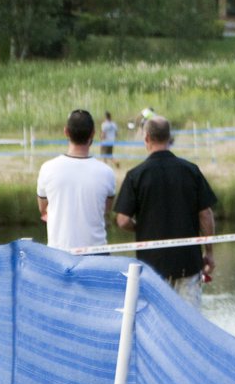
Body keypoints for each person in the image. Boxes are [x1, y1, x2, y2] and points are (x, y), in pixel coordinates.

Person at [114, 116, 217, 308]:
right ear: (169, 138)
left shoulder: (136, 176)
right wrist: (209, 252)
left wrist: (141, 228)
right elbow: (206, 215)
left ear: (146, 139)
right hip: (189, 261)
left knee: (157, 322)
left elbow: (122, 220)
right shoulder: (191, 170)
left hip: (153, 266)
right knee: (190, 322)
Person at [36, 109, 116, 251]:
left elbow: (42, 208)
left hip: (59, 253)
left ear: (66, 132)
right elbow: (106, 209)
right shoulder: (106, 172)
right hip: (96, 253)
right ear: (93, 134)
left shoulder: (47, 168)